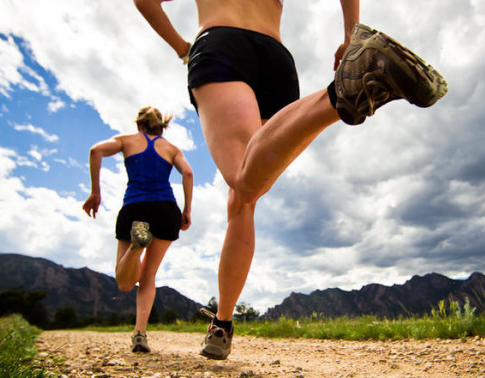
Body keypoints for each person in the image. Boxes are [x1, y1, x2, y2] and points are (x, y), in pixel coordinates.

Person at [134, 0, 447, 360]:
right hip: (277, 59)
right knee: (243, 201)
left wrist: (182, 48)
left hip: (220, 45)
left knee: (243, 181)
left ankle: (337, 96)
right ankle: (222, 324)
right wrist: (350, 35)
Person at [82, 106, 193, 353]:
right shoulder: (172, 149)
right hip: (166, 210)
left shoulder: (126, 140)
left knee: (124, 283)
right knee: (148, 276)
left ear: (138, 125)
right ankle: (140, 333)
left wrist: (95, 192)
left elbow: (95, 150)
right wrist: (187, 210)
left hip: (135, 208)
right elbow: (187, 172)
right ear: (161, 126)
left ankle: (135, 247)